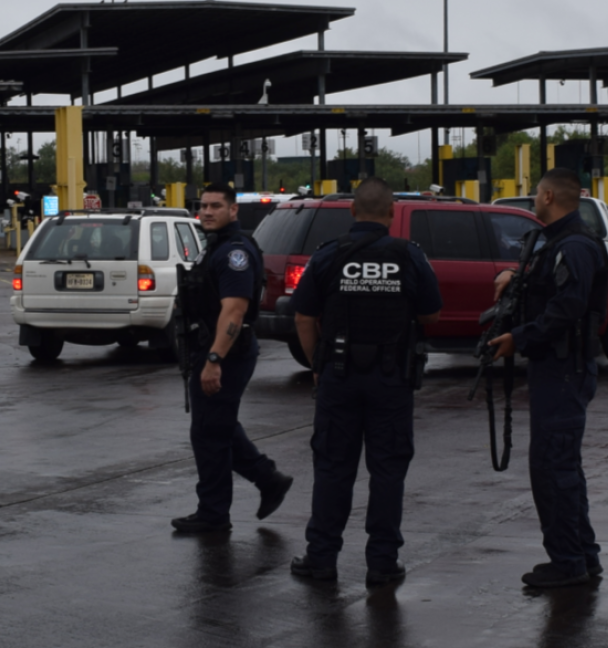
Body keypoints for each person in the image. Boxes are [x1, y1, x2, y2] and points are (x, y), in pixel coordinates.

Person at [289, 177, 442, 585]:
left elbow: (303, 316)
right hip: (391, 379)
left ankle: (321, 559)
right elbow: (430, 314)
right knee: (388, 471)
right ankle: (383, 563)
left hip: (338, 377)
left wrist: (316, 362)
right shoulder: (409, 256)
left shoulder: (326, 256)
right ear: (392, 214)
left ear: (352, 212)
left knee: (333, 468)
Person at [489, 167, 608, 588]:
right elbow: (549, 289)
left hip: (563, 371)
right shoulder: (557, 243)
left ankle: (567, 564)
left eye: (535, 193)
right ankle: (582, 556)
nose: (533, 198)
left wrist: (518, 339)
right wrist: (514, 276)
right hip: (558, 370)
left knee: (552, 468)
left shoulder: (574, 246)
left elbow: (567, 307)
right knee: (563, 467)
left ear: (547, 196)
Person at [171, 183, 294, 533]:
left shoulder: (234, 254)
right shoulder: (217, 248)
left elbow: (235, 312)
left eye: (215, 206)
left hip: (227, 353)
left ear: (233, 211)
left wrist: (213, 359)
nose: (207, 212)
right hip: (212, 349)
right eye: (203, 205)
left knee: (210, 432)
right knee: (216, 426)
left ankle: (214, 513)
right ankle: (268, 479)